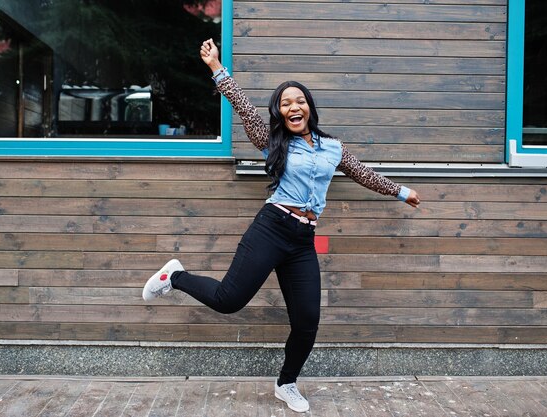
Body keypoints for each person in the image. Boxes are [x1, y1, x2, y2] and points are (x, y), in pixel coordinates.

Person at [143, 38, 421, 413]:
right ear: (279, 112)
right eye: (286, 102)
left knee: (307, 320)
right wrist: (216, 68)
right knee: (229, 300)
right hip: (272, 227)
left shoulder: (333, 147)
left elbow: (362, 174)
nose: (294, 106)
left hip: (303, 239)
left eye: (299, 100)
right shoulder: (273, 141)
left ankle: (286, 383)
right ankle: (174, 277)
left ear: (309, 108)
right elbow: (242, 106)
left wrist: (402, 192)